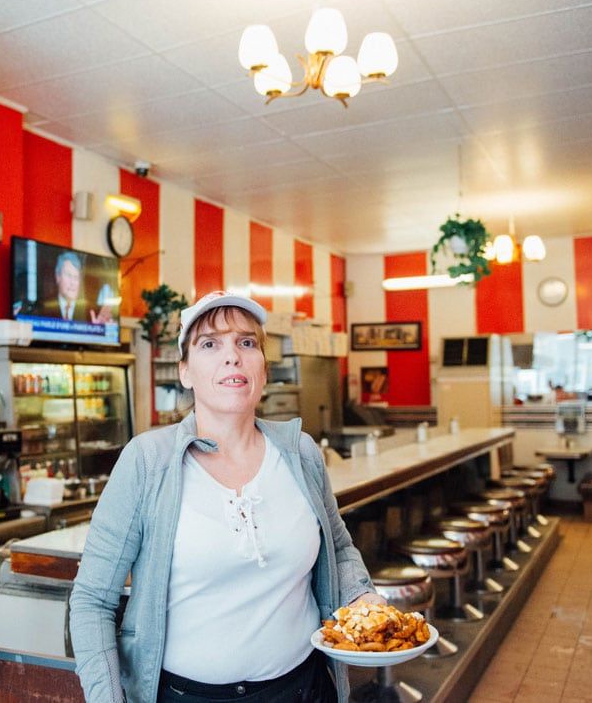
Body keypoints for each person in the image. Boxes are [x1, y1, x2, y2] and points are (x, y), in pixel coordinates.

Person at [69, 290, 386, 703]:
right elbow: (93, 601)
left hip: (305, 688)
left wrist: (363, 597)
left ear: (264, 370)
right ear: (185, 371)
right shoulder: (148, 463)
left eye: (246, 342)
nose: (232, 356)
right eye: (209, 343)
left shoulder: (300, 453)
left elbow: (339, 550)